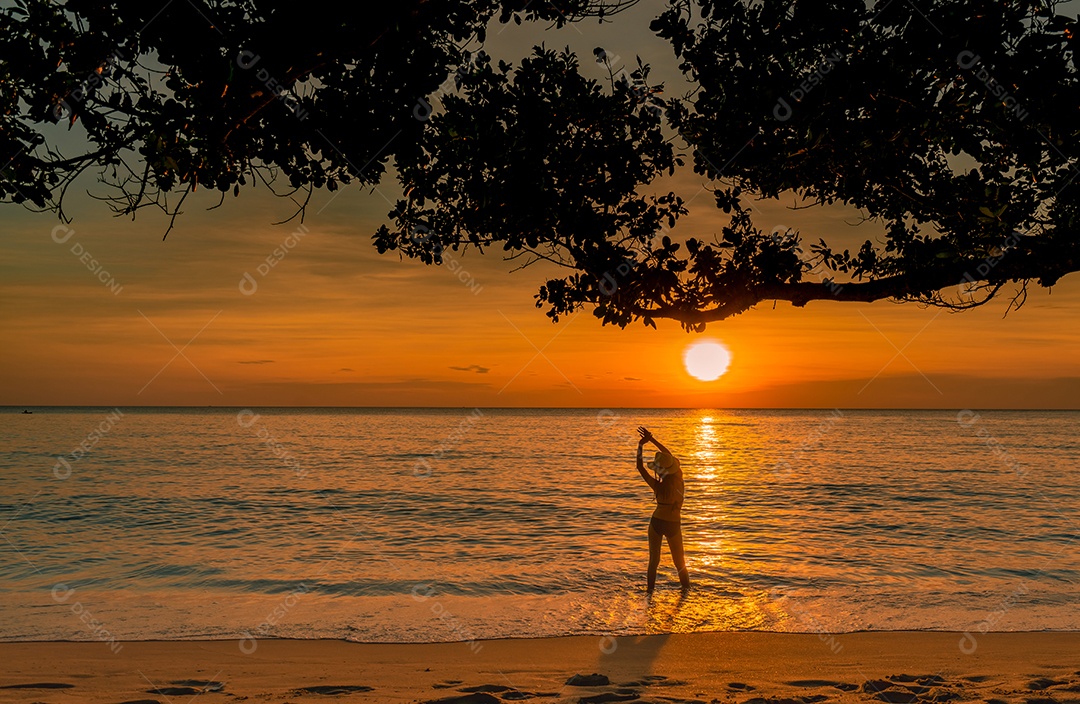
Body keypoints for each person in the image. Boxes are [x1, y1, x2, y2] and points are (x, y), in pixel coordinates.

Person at [636, 426, 690, 592]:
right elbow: (669, 456)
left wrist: (641, 445)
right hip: (674, 524)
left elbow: (640, 467)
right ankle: (686, 592)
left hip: (657, 522)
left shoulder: (657, 487)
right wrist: (652, 440)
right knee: (679, 562)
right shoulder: (679, 481)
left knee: (654, 562)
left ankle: (649, 594)